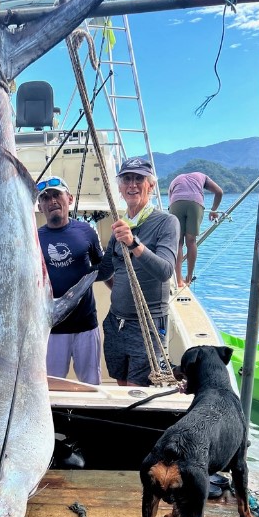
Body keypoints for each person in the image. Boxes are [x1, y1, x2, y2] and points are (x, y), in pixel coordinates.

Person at [97, 157, 179, 386]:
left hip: (148, 325)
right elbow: (104, 271)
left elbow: (165, 270)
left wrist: (134, 244)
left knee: (137, 389)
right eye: (127, 179)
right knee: (120, 382)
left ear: (151, 185)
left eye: (139, 179)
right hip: (115, 322)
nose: (132, 184)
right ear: (120, 187)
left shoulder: (167, 222)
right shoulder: (119, 226)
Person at [37, 176, 104, 385]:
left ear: (70, 199)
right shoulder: (34, 238)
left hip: (86, 325)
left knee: (92, 385)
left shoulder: (87, 232)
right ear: (40, 206)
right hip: (52, 329)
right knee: (52, 388)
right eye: (45, 198)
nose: (52, 201)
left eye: (57, 195)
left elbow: (101, 268)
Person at [168, 171, 223, 287]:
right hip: (196, 203)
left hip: (176, 202)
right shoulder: (202, 176)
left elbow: (170, 200)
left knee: (178, 243)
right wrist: (213, 210)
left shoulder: (175, 180)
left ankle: (178, 280)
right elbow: (219, 192)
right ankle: (188, 278)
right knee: (191, 241)